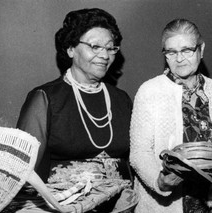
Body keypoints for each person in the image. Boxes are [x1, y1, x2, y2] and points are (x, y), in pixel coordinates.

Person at [130, 18, 212, 213]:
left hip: (209, 210)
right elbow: (139, 152)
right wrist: (160, 182)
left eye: (187, 50)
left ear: (201, 49)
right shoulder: (149, 91)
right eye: (171, 52)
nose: (179, 59)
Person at [17, 8, 132, 182]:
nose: (104, 55)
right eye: (95, 47)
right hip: (64, 207)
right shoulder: (45, 98)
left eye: (110, 48)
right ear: (71, 49)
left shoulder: (121, 99)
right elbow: (22, 169)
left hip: (121, 206)